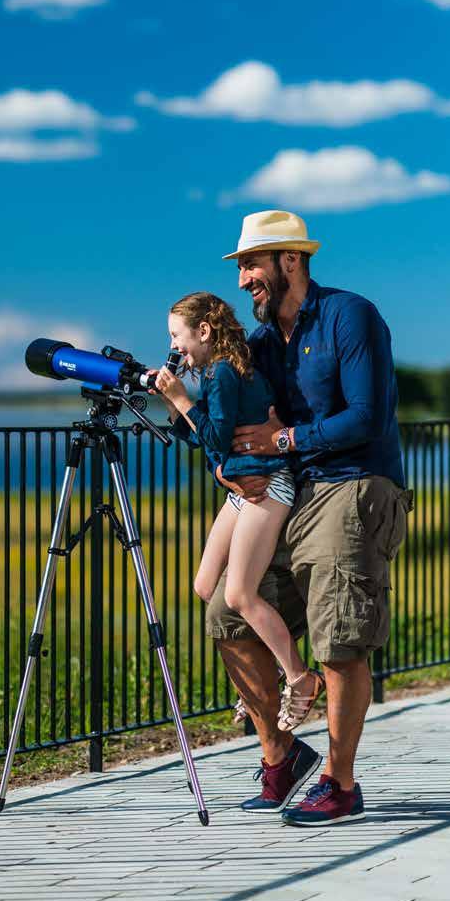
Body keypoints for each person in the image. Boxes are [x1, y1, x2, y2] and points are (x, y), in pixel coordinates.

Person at [204, 209, 413, 825]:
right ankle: (282, 753)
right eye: (240, 267)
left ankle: (340, 783)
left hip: (355, 483)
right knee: (225, 613)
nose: (243, 280)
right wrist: (225, 464)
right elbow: (242, 424)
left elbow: (365, 418)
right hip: (289, 490)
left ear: (289, 260)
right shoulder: (263, 344)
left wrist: (285, 441)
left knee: (338, 635)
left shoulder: (351, 315)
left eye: (250, 265)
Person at [155, 292, 325, 731]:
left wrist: (181, 400)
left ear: (204, 332)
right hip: (241, 486)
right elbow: (206, 440)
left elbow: (214, 439)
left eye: (177, 336)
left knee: (239, 595)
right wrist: (177, 408)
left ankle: (300, 678)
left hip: (269, 487)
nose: (174, 347)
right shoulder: (216, 371)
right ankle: (266, 676)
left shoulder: (224, 372)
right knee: (204, 584)